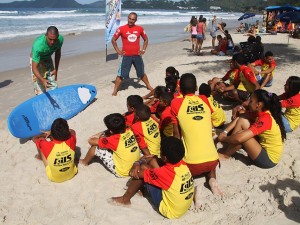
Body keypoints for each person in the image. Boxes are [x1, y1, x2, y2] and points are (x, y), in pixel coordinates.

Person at [170, 73, 223, 208]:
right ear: (196, 87)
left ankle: (194, 189)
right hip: (213, 161)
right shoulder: (204, 99)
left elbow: (177, 136)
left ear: (180, 89)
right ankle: (212, 180)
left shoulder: (176, 103)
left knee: (179, 160)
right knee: (206, 149)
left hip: (191, 165)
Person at [111, 137, 194, 219]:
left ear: (164, 157)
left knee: (143, 168)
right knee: (154, 161)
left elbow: (137, 173)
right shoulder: (183, 164)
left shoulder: (165, 173)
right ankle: (142, 190)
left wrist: (137, 163)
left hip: (170, 211)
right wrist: (141, 161)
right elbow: (153, 158)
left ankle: (125, 199)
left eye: (160, 151)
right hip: (183, 206)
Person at [218, 89, 286, 169]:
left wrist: (224, 138)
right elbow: (241, 117)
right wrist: (225, 132)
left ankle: (226, 155)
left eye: (251, 101)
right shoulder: (260, 112)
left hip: (269, 159)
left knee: (242, 136)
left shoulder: (265, 119)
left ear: (258, 104)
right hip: (261, 147)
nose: (248, 102)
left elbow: (239, 139)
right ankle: (230, 147)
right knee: (243, 121)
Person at [79, 113, 140, 177]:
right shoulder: (130, 129)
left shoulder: (113, 140)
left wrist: (103, 133)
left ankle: (84, 162)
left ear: (111, 131)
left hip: (123, 171)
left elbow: (91, 141)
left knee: (95, 148)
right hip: (136, 164)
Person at [111, 12, 153, 96]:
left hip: (137, 55)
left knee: (141, 73)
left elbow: (146, 39)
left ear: (135, 20)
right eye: (130, 18)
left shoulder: (140, 29)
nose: (131, 20)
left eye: (133, 19)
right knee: (121, 74)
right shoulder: (121, 29)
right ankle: (115, 90)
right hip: (126, 56)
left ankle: (148, 86)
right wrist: (118, 51)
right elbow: (113, 40)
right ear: (127, 18)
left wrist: (143, 49)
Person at [32, 118, 77, 183]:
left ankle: (40, 156)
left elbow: (35, 138)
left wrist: (46, 134)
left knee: (40, 145)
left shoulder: (46, 145)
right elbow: (73, 131)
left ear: (52, 133)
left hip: (54, 178)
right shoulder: (72, 140)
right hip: (72, 174)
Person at [30, 26, 63, 95]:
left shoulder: (60, 39)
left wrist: (56, 69)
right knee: (41, 91)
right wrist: (43, 80)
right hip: (37, 61)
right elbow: (34, 68)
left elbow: (58, 53)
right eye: (50, 39)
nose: (52, 42)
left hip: (47, 58)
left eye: (55, 39)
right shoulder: (38, 45)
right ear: (46, 36)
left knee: (54, 86)